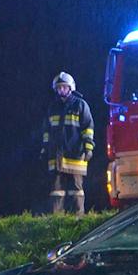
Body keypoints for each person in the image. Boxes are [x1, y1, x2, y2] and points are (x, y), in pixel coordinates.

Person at [41, 71, 94, 214]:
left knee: (76, 189)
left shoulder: (80, 106)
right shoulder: (52, 107)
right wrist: (45, 149)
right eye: (58, 88)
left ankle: (78, 217)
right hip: (56, 156)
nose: (61, 90)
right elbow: (47, 131)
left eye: (64, 87)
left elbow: (88, 128)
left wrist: (88, 148)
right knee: (56, 190)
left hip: (75, 155)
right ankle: (57, 219)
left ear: (71, 88)